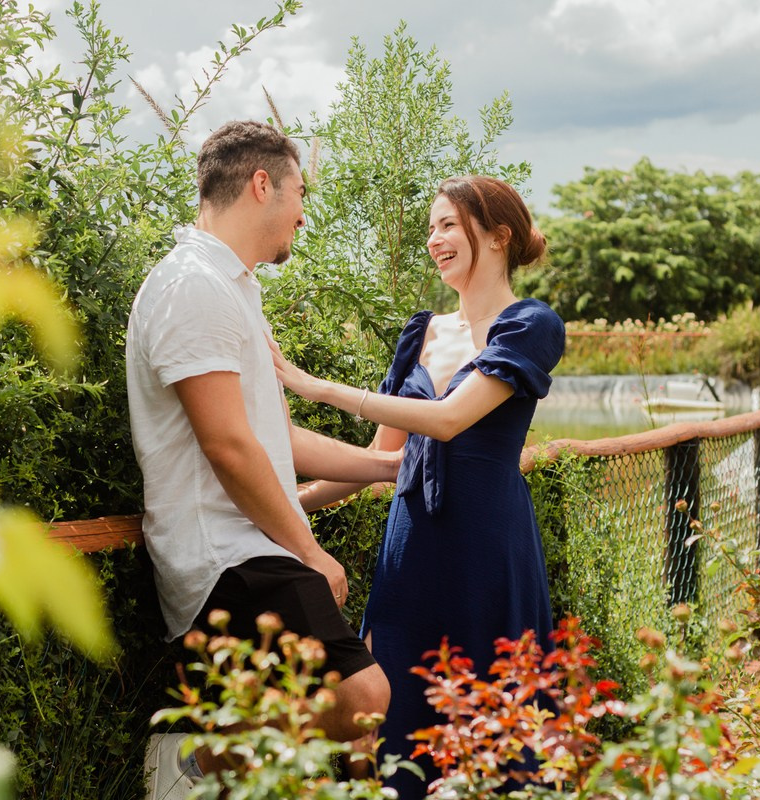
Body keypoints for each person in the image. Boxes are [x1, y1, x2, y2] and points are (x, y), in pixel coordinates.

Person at [126, 120, 397, 800]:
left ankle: (213, 765)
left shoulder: (234, 288)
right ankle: (197, 761)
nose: (304, 213)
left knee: (357, 730)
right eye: (301, 191)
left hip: (251, 548)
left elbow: (275, 437)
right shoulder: (192, 286)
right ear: (261, 184)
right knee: (363, 694)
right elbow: (228, 445)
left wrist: (388, 467)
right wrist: (309, 550)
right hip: (226, 554)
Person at [271, 175, 566, 799]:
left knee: (491, 721)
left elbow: (450, 419)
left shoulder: (532, 326)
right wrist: (282, 506)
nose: (434, 240)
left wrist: (313, 386)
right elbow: (382, 462)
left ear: (497, 235)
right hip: (411, 554)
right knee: (391, 716)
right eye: (431, 228)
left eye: (448, 225)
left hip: (488, 549)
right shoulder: (422, 334)